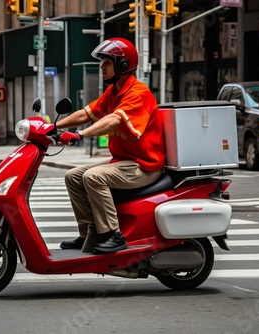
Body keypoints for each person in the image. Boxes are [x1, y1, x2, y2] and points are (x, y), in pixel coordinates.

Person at [56, 37, 166, 254]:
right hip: (125, 162)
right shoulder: (114, 92)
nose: (101, 67)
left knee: (94, 176)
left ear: (123, 65)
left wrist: (81, 135)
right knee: (73, 176)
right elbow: (86, 113)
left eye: (106, 62)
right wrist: (53, 127)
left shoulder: (138, 93)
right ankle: (89, 233)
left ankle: (113, 235)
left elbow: (114, 120)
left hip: (144, 167)